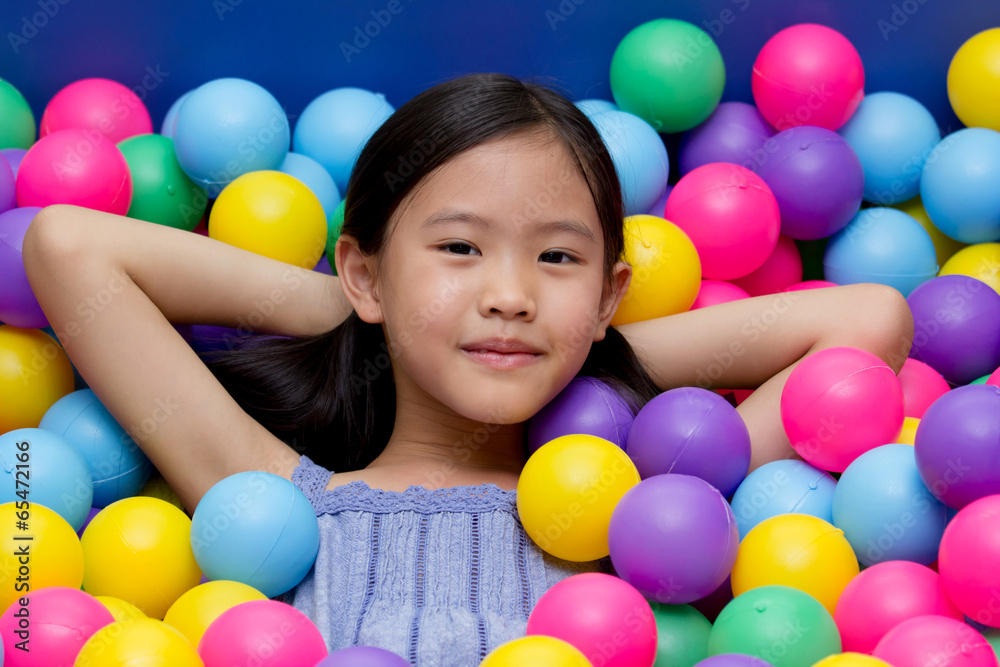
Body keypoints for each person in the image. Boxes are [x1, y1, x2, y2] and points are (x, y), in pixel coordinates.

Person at [23, 72, 913, 665]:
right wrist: (364, 312)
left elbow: (864, 320)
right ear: (364, 269)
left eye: (558, 261)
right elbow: (67, 244)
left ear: (610, 294)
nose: (512, 295)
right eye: (458, 247)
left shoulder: (640, 509)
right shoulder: (270, 502)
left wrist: (588, 343)